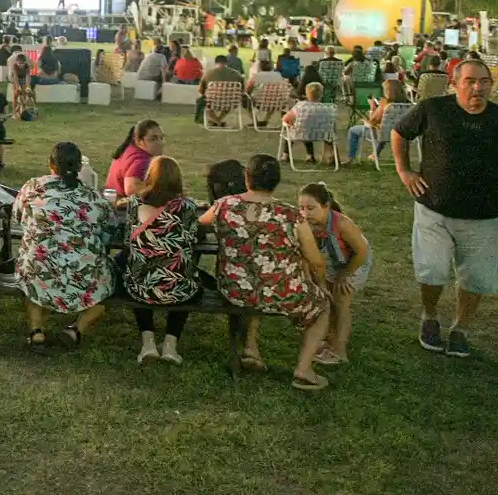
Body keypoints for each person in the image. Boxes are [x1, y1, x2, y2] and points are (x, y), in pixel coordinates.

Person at [391, 58, 498, 358]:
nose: (477, 87)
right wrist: (405, 172)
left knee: (476, 278)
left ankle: (460, 328)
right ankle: (429, 316)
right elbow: (399, 134)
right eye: (469, 81)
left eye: (483, 81)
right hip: (433, 209)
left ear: (491, 85)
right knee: (432, 271)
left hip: (482, 215)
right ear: (454, 84)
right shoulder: (433, 110)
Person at [201, 154, 332, 391]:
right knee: (322, 307)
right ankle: (303, 370)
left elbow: (200, 222)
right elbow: (316, 261)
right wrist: (320, 285)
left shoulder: (225, 205)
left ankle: (251, 348)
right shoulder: (291, 215)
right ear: (276, 181)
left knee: (255, 280)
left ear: (247, 177)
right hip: (279, 292)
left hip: (234, 290)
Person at [12, 142, 115, 351]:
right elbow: (109, 229)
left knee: (32, 281)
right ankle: (75, 330)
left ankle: (36, 332)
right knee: (107, 292)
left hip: (39, 269)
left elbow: (16, 216)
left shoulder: (33, 187)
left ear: (50, 164)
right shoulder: (92, 196)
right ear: (79, 168)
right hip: (83, 274)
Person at [122, 156, 205, 366]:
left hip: (140, 288)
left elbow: (126, 240)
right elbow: (194, 238)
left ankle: (148, 343)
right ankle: (170, 345)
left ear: (149, 176)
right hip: (177, 289)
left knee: (137, 276)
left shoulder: (134, 203)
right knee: (190, 280)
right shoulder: (186, 207)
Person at [298, 182, 372, 366]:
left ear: (326, 206)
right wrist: (312, 281)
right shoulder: (305, 224)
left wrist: (345, 275)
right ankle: (330, 341)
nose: (305, 213)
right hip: (334, 260)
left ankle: (340, 352)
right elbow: (305, 257)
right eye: (302, 208)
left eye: (311, 208)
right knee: (327, 299)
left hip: (355, 262)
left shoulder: (343, 224)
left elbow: (361, 252)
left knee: (341, 302)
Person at [345, 78, 404, 163]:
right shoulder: (407, 103)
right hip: (399, 133)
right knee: (385, 128)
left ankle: (351, 158)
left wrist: (372, 107)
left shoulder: (385, 103)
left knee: (353, 130)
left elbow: (373, 121)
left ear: (387, 91)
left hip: (380, 133)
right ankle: (375, 154)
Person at [104, 119, 164, 202]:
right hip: (122, 208)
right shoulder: (142, 160)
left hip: (110, 200)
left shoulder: (129, 148)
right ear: (139, 141)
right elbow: (131, 190)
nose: (160, 143)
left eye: (161, 138)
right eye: (153, 139)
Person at [282, 82, 335, 165]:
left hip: (300, 133)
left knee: (291, 128)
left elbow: (286, 119)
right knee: (308, 127)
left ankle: (285, 154)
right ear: (321, 94)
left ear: (306, 94)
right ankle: (310, 156)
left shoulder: (300, 106)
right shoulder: (326, 108)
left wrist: (286, 122)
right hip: (322, 135)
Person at [198, 54, 243, 126]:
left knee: (200, 102)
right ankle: (218, 121)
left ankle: (216, 121)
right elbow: (242, 89)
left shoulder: (208, 73)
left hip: (212, 101)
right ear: (226, 62)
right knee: (228, 98)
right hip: (230, 102)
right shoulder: (236, 74)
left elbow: (200, 90)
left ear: (215, 62)